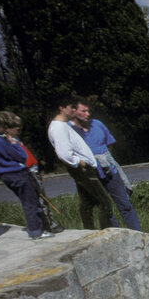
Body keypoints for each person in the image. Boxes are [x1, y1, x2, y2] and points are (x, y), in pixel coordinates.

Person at [48, 96, 117, 230]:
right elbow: (63, 153)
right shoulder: (58, 128)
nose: (74, 110)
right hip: (82, 169)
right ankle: (105, 231)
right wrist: (81, 163)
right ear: (61, 108)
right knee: (104, 202)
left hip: (83, 168)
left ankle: (88, 230)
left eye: (75, 107)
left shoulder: (62, 126)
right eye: (71, 107)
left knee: (87, 203)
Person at [0, 108, 50, 239]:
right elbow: (21, 156)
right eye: (1, 126)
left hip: (4, 175)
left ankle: (35, 228)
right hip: (17, 173)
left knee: (26, 200)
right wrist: (13, 143)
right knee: (31, 202)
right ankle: (36, 231)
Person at [1, 111, 63, 234]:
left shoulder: (16, 139)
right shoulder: (7, 143)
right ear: (7, 129)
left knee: (42, 198)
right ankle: (47, 225)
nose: (20, 130)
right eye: (16, 128)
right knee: (38, 199)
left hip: (33, 171)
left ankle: (48, 222)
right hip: (27, 173)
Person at [73, 102, 133, 195]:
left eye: (88, 111)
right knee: (98, 201)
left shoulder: (97, 124)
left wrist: (106, 159)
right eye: (83, 111)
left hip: (107, 165)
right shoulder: (69, 129)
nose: (87, 114)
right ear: (74, 111)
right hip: (88, 169)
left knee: (123, 196)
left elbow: (109, 144)